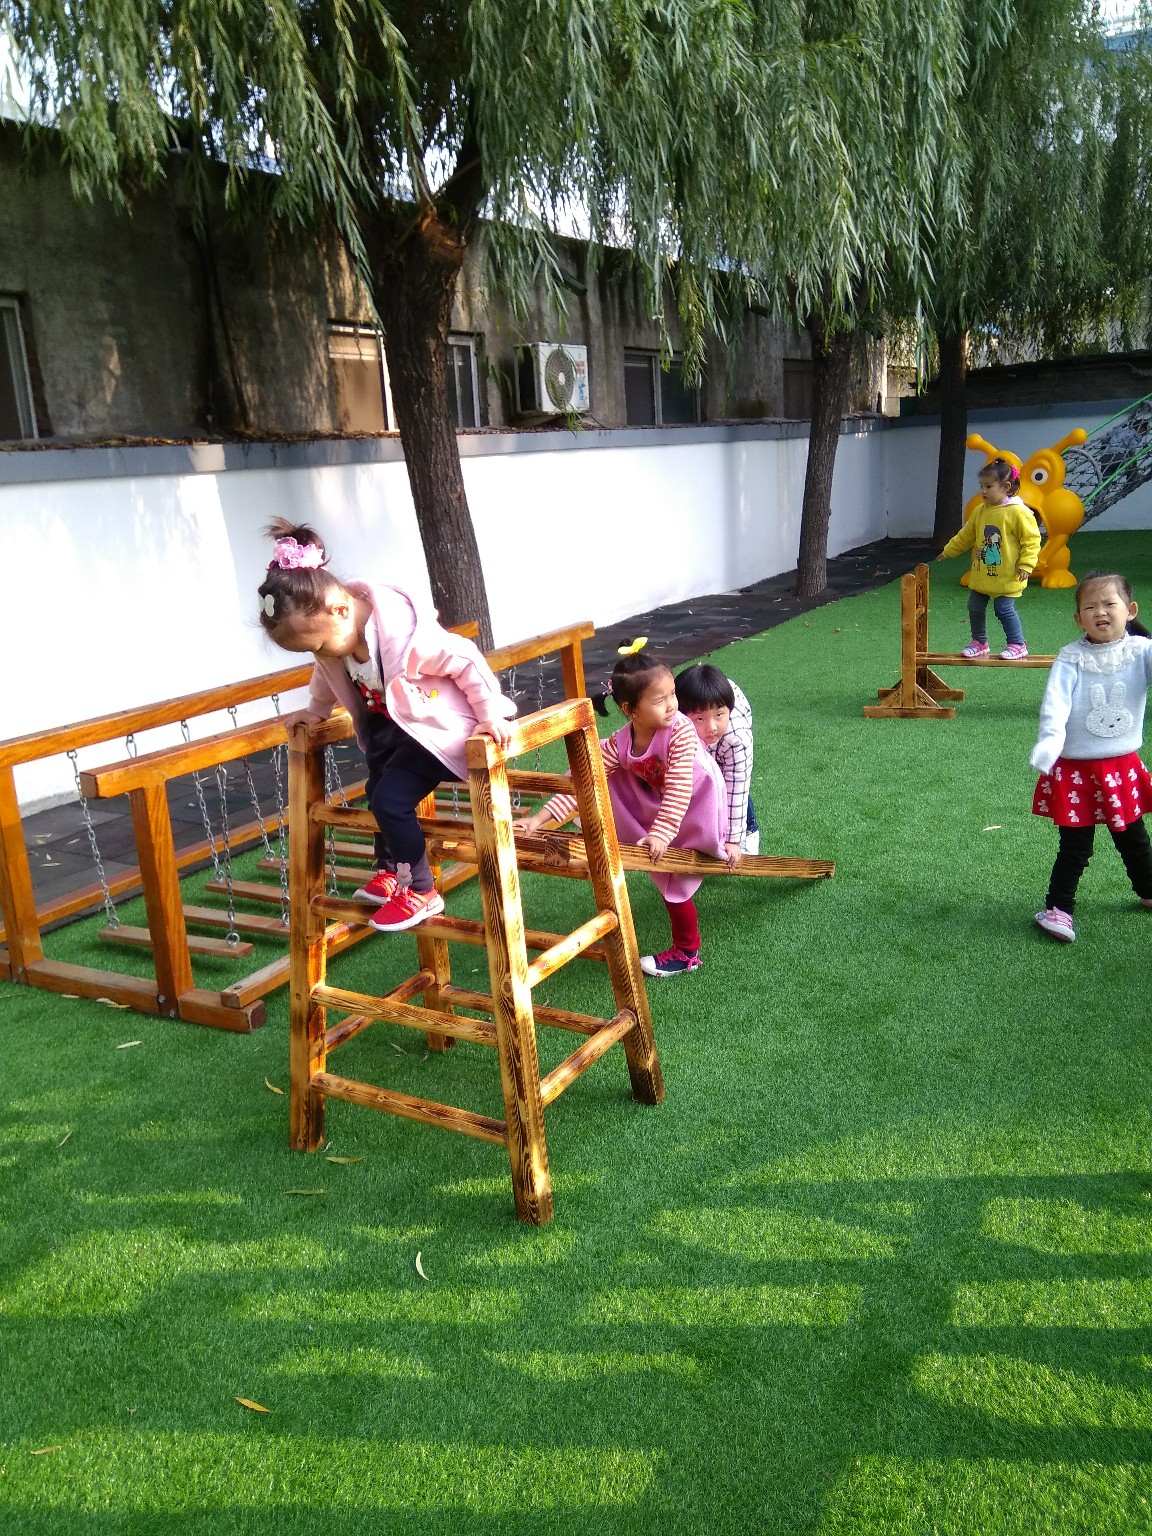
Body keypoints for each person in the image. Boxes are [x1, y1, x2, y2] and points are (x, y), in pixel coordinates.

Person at [258, 519, 515, 932]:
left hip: (430, 731)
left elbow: (466, 659)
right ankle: (392, 871)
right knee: (378, 793)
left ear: (340, 610)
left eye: (319, 645)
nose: (320, 654)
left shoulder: (407, 636)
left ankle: (421, 889)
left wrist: (490, 715)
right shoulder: (336, 638)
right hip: (389, 731)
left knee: (390, 801)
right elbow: (326, 673)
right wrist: (317, 710)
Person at [512, 650, 727, 978]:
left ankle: (687, 953)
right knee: (598, 772)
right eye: (660, 700)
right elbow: (582, 781)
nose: (672, 705)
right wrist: (539, 819)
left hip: (698, 805)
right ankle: (686, 948)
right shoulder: (621, 742)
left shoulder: (681, 731)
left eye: (673, 695)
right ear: (630, 710)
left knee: (679, 877)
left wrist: (661, 833)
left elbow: (680, 786)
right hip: (663, 805)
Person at [1031, 569, 1152, 942]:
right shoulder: (1071, 659)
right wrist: (1049, 742)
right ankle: (1059, 909)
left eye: (1109, 604)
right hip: (1075, 770)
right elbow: (1056, 705)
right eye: (1090, 607)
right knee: (1075, 845)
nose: (1100, 612)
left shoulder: (1142, 652)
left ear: (1130, 610)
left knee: (1132, 835)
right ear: (1078, 618)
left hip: (1121, 765)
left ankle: (1148, 890)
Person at [938, 457, 1041, 660]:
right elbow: (965, 536)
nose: (983, 491)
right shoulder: (980, 511)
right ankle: (980, 642)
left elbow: (1031, 540)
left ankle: (1017, 644)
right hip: (983, 573)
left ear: (1006, 487)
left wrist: (1027, 565)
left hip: (1008, 574)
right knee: (974, 606)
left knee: (1003, 609)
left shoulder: (1018, 512)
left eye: (989, 486)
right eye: (981, 486)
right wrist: (948, 550)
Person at [674, 663, 759, 862]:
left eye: (719, 715)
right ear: (682, 716)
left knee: (727, 785)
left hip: (725, 751)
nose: (712, 727)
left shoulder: (737, 739)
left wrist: (733, 840)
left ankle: (750, 831)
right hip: (694, 745)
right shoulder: (675, 725)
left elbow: (737, 787)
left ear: (728, 710)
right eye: (700, 719)